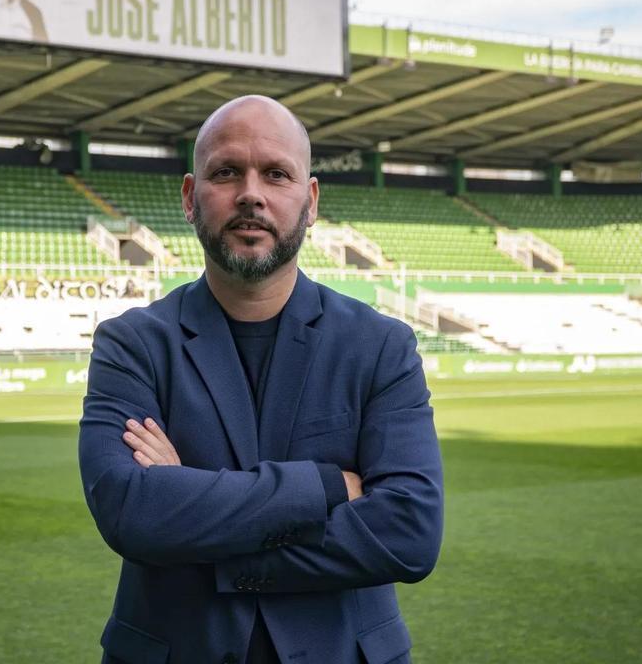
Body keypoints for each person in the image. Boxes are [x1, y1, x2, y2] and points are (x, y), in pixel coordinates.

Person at [78, 95, 443, 664]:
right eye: (226, 172)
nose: (251, 193)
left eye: (276, 173)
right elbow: (133, 513)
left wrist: (196, 516)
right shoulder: (133, 344)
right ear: (189, 197)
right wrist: (327, 487)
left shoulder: (380, 346)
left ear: (311, 200)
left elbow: (409, 533)